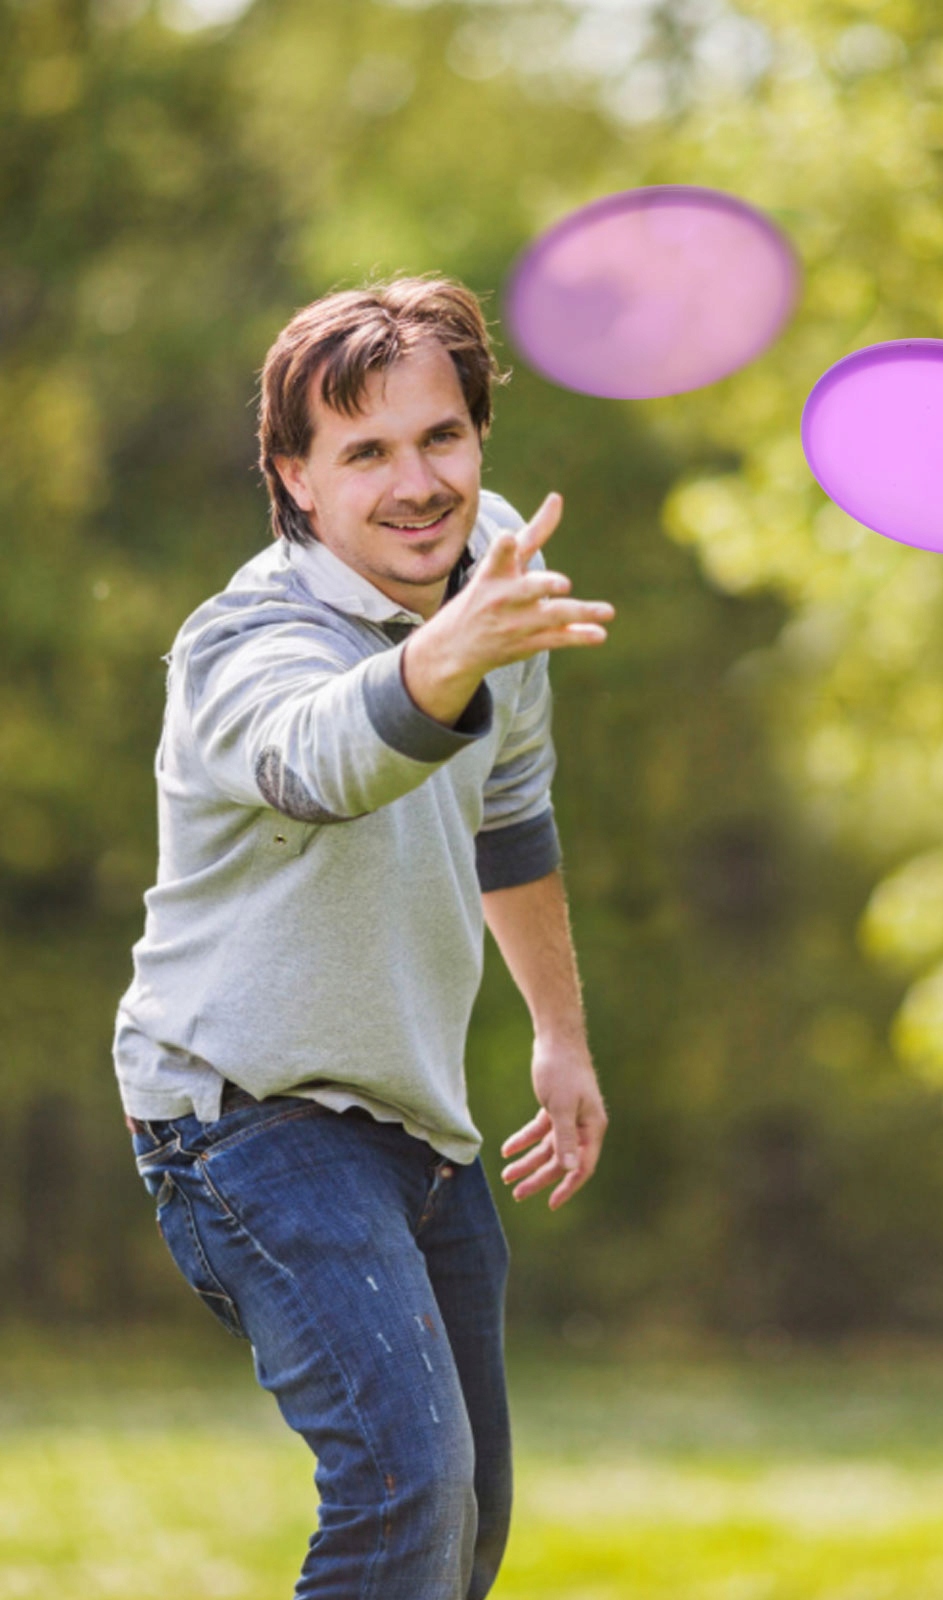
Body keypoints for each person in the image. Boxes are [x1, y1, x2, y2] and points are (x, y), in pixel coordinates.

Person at [114, 276, 616, 1599]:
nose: (417, 483)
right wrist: (456, 648)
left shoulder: (491, 568)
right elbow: (321, 760)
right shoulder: (244, 642)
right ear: (296, 477)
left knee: (465, 1527)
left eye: (441, 437)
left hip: (417, 1119)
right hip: (243, 1113)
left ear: (481, 435)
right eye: (366, 452)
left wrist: (560, 1036)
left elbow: (510, 810)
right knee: (406, 1491)